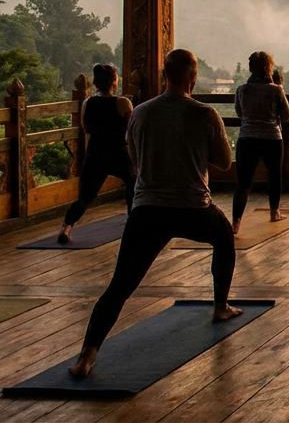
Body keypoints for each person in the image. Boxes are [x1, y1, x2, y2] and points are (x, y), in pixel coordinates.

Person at [69, 49, 240, 379]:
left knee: (119, 286)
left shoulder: (141, 113)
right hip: (193, 207)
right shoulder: (205, 113)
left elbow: (133, 159)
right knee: (224, 238)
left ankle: (86, 356)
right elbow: (224, 162)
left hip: (147, 209)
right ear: (192, 78)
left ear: (164, 75)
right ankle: (220, 307)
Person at [57, 64, 135, 244]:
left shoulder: (88, 102)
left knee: (85, 197)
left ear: (95, 82)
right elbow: (131, 129)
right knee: (134, 184)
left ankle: (66, 228)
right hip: (118, 152)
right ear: (114, 81)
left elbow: (86, 128)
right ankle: (132, 222)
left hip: (95, 153)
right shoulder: (122, 102)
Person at [231, 51, 289, 233]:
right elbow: (286, 115)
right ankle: (274, 213)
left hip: (247, 137)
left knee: (243, 182)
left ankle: (236, 223)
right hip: (271, 137)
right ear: (269, 67)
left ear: (250, 68)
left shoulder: (242, 90)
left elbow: (240, 113)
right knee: (274, 175)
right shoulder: (276, 90)